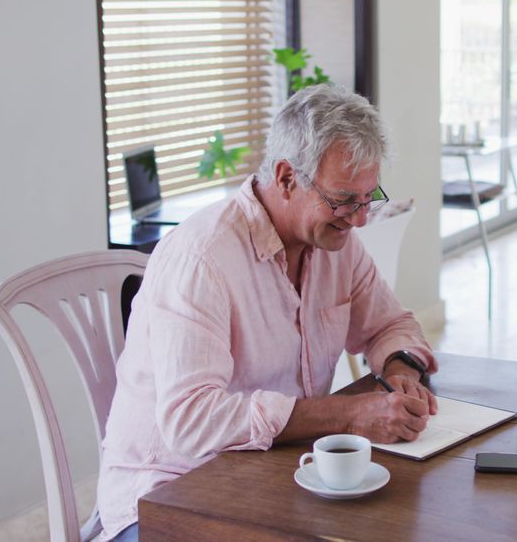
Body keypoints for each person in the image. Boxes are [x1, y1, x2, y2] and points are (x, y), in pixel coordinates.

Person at [97, 85, 438, 541]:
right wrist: (348, 414)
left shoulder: (337, 244)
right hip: (165, 498)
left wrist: (401, 370)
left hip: (269, 474)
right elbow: (191, 421)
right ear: (285, 178)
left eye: (367, 196)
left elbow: (389, 325)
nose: (359, 220)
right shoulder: (202, 259)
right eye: (342, 200)